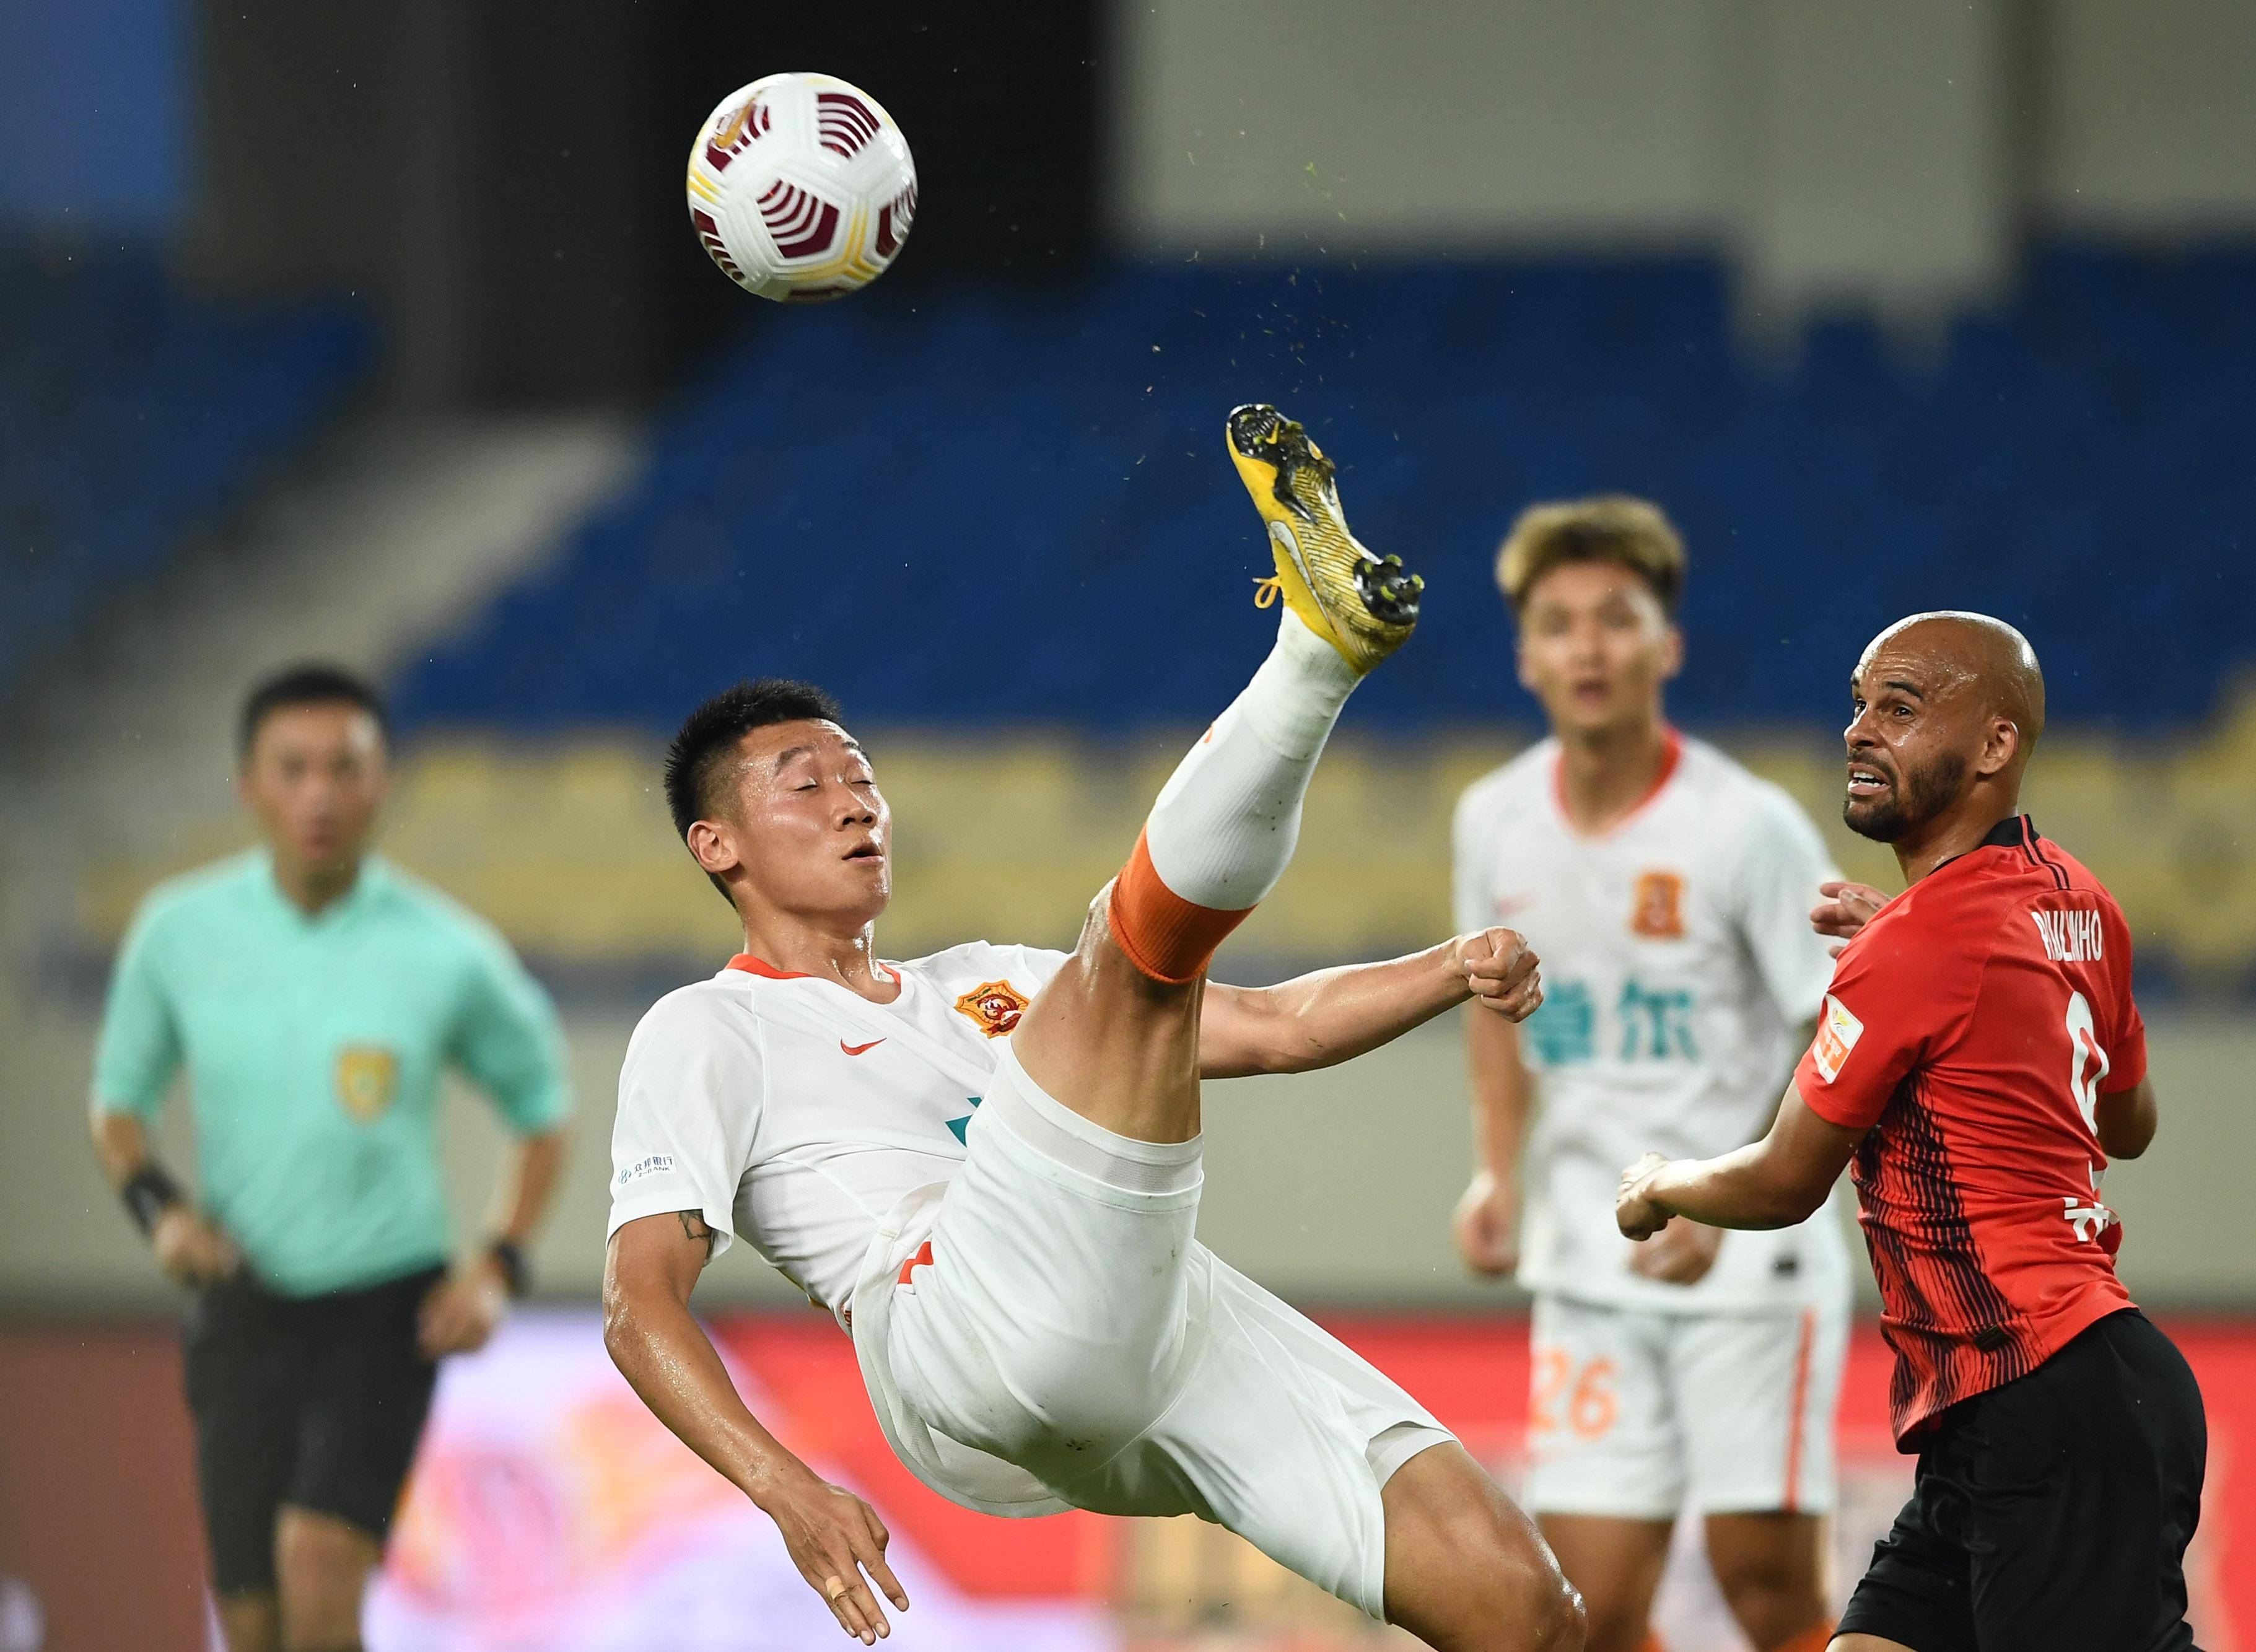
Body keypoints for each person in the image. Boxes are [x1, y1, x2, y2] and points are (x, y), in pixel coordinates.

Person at [601, 405, 1588, 1652]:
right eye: (809, 785)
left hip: (1137, 1331)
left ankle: (1317, 645)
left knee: (1526, 1611)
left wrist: (1448, 966)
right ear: (716, 845)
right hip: (950, 1335)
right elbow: (639, 1307)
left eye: (864, 780)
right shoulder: (709, 1027)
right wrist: (785, 1486)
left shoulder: (986, 983)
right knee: (1125, 965)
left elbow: (1280, 1028)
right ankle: (1314, 654)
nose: (857, 807)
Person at [1613, 613, 2206, 1652]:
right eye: (1859, 704)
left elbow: (1783, 1182)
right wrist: (1914, 958)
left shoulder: (1918, 944)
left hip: (2046, 1389)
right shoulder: (2078, 901)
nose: (1859, 730)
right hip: (2014, 1399)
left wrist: (1663, 1182)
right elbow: (2130, 1123)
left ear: (1995, 745)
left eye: (1901, 706)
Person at [89, 663, 573, 1652]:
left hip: (387, 1304)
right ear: (248, 786)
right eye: (294, 768)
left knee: (318, 1564)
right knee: (252, 1615)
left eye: (344, 769)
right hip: (243, 1294)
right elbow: (117, 1105)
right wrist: (161, 1211)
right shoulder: (179, 933)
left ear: (383, 783)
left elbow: (543, 1109)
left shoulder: (446, 951)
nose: (319, 795)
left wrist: (497, 1268)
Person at [1450, 496, 1849, 1652]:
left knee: (1764, 1590)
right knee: (1591, 1611)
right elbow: (1492, 1010)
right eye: (1559, 624)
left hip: (1750, 1260)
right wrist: (1496, 1172)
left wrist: (1737, 1193)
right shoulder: (1493, 820)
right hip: (1590, 1254)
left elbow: (1839, 1023)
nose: (1588, 648)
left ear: (1667, 646)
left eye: (1616, 619)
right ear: (1525, 657)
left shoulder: (1748, 828)